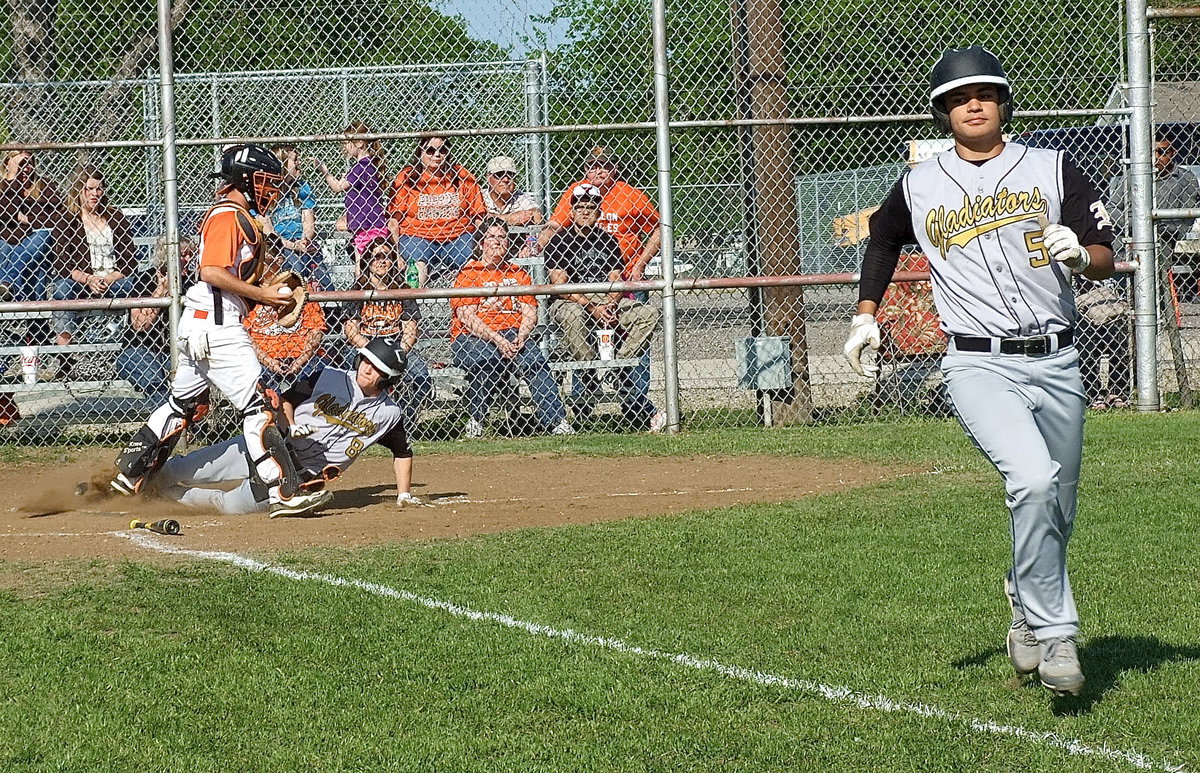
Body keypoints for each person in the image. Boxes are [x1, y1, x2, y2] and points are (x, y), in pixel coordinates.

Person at [843, 46, 1115, 698]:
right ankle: (1057, 636)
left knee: (1058, 506)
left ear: (1003, 104)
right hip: (975, 360)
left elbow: (1106, 252)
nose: (973, 105)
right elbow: (883, 238)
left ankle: (1024, 596)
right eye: (959, 98)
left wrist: (1082, 257)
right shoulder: (919, 183)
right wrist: (865, 315)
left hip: (1057, 358)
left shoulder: (1052, 167)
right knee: (1031, 479)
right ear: (943, 111)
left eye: (985, 94)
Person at [108, 143, 330, 518]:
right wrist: (264, 294)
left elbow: (228, 276)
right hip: (218, 326)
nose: (271, 189)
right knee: (260, 406)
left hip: (201, 323)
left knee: (182, 405)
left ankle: (130, 475)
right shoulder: (229, 215)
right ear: (244, 180)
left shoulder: (237, 216)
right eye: (265, 181)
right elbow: (211, 272)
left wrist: (263, 291)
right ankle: (282, 492)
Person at [154, 338, 425, 515]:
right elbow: (286, 400)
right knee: (183, 469)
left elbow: (402, 452)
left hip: (297, 477)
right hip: (270, 445)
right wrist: (292, 424)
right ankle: (137, 482)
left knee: (229, 506)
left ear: (388, 379)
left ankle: (162, 497)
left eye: (377, 369)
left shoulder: (388, 414)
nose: (367, 369)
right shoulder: (329, 376)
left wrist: (404, 493)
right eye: (366, 361)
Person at [545, 183, 665, 431]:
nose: (585, 212)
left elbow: (615, 278)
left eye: (591, 207)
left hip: (605, 297)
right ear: (572, 212)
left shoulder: (608, 240)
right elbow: (560, 285)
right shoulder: (559, 241)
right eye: (580, 207)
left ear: (599, 212)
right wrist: (592, 307)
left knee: (649, 313)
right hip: (570, 299)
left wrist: (610, 304)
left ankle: (620, 365)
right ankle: (589, 371)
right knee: (573, 314)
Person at [450, 218, 574, 438]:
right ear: (481, 243)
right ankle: (476, 420)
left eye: (502, 237)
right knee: (488, 359)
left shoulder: (518, 273)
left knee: (535, 361)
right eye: (491, 237)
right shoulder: (469, 273)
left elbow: (530, 312)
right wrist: (498, 340)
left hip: (514, 333)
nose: (497, 241)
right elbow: (467, 318)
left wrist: (521, 337)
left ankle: (556, 421)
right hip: (474, 336)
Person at [343, 236, 433, 429]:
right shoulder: (357, 290)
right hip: (365, 348)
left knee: (421, 377)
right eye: (376, 257)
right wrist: (373, 354)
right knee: (348, 373)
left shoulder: (403, 290)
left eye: (387, 256)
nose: (382, 261)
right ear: (367, 261)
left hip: (395, 346)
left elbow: (410, 330)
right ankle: (360, 422)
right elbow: (351, 330)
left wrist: (398, 354)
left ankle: (404, 424)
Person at [538, 147, 661, 282]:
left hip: (627, 274)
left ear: (614, 169)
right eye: (592, 167)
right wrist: (538, 244)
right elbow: (555, 225)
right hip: (580, 276)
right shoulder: (576, 191)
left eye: (604, 166)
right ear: (585, 169)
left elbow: (660, 230)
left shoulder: (630, 194)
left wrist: (640, 265)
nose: (598, 171)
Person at [49, 167, 139, 349]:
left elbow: (129, 260)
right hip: (81, 282)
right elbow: (62, 263)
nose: (94, 194)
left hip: (113, 280)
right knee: (62, 288)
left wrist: (109, 278)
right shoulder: (67, 219)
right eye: (89, 189)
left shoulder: (115, 217)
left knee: (137, 285)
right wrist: (89, 279)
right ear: (78, 191)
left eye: (99, 189)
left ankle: (137, 343)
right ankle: (64, 351)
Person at [388, 136, 485, 286]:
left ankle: (471, 298)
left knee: (472, 264)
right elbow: (394, 219)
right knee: (417, 266)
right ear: (420, 152)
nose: (437, 155)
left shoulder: (462, 175)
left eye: (442, 150)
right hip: (417, 236)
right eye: (430, 150)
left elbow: (479, 215)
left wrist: (482, 242)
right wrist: (395, 254)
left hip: (458, 236)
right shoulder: (407, 177)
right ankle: (412, 297)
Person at [115, 235, 198, 398]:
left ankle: (184, 412)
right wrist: (161, 291)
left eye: (191, 254)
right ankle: (168, 412)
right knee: (154, 379)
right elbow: (139, 324)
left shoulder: (192, 282)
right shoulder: (145, 279)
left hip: (178, 350)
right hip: (139, 348)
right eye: (183, 255)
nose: (189, 259)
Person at [313, 121, 389, 272]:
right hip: (366, 224)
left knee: (364, 267)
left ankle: (361, 284)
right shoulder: (369, 164)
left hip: (368, 225)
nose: (344, 147)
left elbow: (337, 187)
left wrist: (324, 170)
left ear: (359, 142)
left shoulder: (361, 166)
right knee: (362, 265)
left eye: (346, 142)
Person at [263, 144, 330, 291]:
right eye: (295, 160)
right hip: (279, 245)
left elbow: (309, 224)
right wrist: (293, 246)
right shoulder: (266, 191)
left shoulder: (302, 188)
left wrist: (305, 241)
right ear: (282, 165)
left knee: (323, 277)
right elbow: (269, 232)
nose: (299, 162)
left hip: (302, 241)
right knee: (295, 265)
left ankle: (327, 301)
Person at [245, 278, 328, 395]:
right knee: (254, 372)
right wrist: (268, 361)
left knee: (320, 370)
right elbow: (246, 336)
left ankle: (300, 402)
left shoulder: (300, 289)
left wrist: (301, 360)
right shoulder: (251, 291)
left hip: (304, 357)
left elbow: (316, 330)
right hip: (264, 359)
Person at [0, 149, 63, 302]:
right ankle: (27, 311)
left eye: (29, 163)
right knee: (7, 248)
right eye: (20, 163)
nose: (26, 168)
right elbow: (5, 212)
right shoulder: (3, 188)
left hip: (37, 242)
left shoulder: (44, 185)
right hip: (8, 241)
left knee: (43, 235)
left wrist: (26, 219)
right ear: (7, 164)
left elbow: (57, 216)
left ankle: (7, 282)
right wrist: (12, 178)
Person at [481, 155, 542, 257]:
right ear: (488, 177)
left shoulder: (520, 197)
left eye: (510, 175)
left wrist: (493, 217)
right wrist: (510, 219)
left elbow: (537, 216)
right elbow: (476, 218)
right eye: (499, 175)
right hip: (485, 254)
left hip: (516, 251)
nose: (505, 179)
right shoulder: (479, 196)